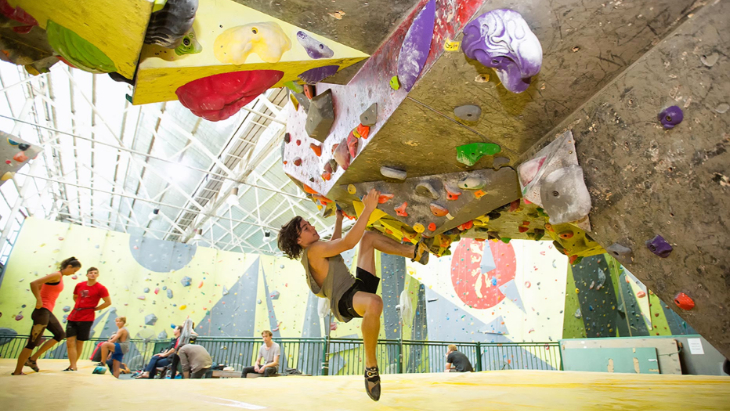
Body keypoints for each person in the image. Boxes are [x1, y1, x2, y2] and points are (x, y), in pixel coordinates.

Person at [277, 189, 430, 401]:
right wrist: (367, 209)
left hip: (355, 287)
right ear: (298, 240)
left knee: (367, 238)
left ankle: (414, 252)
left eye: (309, 223)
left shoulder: (315, 249)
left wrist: (339, 219)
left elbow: (336, 244)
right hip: (344, 301)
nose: (311, 227)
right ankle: (370, 366)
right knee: (374, 302)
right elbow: (347, 244)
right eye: (305, 227)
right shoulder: (312, 251)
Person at [12, 257, 82, 375]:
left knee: (60, 334)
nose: (73, 273)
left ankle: (32, 359)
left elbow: (40, 286)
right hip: (42, 311)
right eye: (74, 271)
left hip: (47, 312)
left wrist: (41, 296)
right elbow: (34, 283)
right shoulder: (56, 275)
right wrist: (39, 300)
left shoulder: (59, 277)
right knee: (33, 342)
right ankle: (17, 371)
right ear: (69, 266)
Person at [64, 267, 111, 371]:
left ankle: (73, 365)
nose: (92, 274)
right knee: (70, 341)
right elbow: (75, 297)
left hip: (87, 317)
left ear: (98, 275)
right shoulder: (79, 285)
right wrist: (80, 304)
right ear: (87, 274)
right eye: (90, 273)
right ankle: (72, 365)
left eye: (95, 273)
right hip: (74, 315)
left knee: (80, 342)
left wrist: (96, 308)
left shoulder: (101, 288)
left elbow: (108, 302)